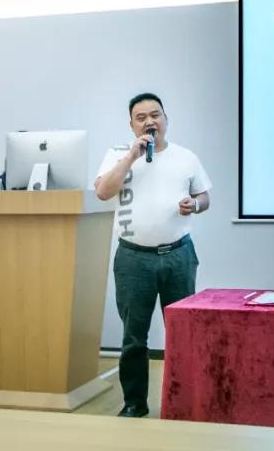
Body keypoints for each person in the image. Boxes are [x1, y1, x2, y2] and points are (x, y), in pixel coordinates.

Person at [94, 92, 211, 418]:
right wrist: (131, 156)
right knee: (134, 337)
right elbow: (103, 192)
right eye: (141, 117)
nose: (150, 121)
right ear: (132, 125)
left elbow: (204, 197)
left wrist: (195, 204)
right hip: (133, 260)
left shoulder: (186, 157)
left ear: (166, 119)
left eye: (155, 115)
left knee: (182, 334)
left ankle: (182, 404)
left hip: (178, 256)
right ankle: (135, 403)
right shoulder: (118, 155)